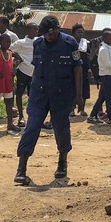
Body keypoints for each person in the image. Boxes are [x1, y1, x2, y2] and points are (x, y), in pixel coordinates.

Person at [13, 16, 84, 186]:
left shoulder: (70, 44)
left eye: (52, 33)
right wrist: (32, 92)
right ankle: (21, 169)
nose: (49, 37)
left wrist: (78, 95)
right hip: (39, 93)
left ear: (57, 29)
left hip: (61, 94)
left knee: (60, 127)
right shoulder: (38, 44)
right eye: (46, 34)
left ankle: (62, 161)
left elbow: (77, 69)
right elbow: (36, 69)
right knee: (32, 126)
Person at [88, 29, 111, 125]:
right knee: (109, 98)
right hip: (107, 76)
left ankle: (92, 115)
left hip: (110, 76)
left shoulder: (108, 48)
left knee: (102, 97)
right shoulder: (104, 49)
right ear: (105, 38)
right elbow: (108, 65)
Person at [11, 22, 39, 128]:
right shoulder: (21, 42)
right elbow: (9, 49)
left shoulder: (39, 41)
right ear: (28, 30)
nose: (36, 31)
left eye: (37, 29)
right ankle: (21, 117)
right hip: (23, 70)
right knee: (19, 93)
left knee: (33, 94)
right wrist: (18, 57)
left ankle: (33, 116)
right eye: (34, 29)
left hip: (35, 71)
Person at [71, 23, 90, 116]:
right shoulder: (70, 43)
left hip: (84, 68)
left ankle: (82, 109)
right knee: (72, 88)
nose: (80, 34)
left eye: (82, 32)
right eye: (78, 32)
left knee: (84, 88)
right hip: (73, 69)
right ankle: (72, 109)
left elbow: (89, 55)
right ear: (74, 33)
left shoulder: (86, 43)